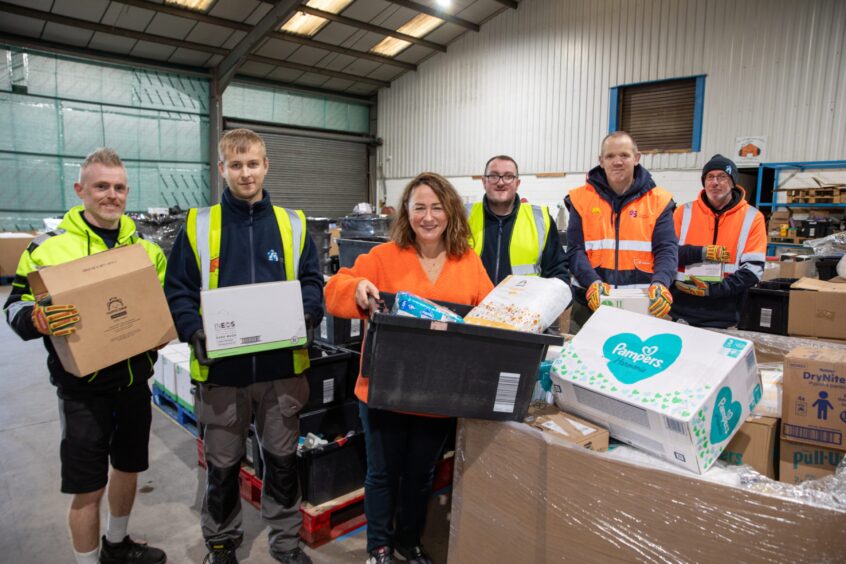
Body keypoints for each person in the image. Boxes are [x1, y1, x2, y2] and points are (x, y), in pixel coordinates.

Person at [164, 129, 323, 564]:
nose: (245, 172)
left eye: (253, 163)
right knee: (222, 468)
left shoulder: (293, 224)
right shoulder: (198, 226)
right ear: (222, 170)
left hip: (281, 374)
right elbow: (177, 288)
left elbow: (312, 279)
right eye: (236, 165)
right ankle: (221, 544)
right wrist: (193, 329)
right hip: (222, 375)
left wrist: (309, 315)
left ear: (266, 166)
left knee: (283, 461)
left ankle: (286, 543)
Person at [3, 148, 167, 564]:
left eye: (118, 187)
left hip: (134, 383)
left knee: (129, 467)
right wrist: (35, 320)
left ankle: (117, 543)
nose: (110, 195)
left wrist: (163, 330)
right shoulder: (48, 248)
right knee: (87, 487)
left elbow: (160, 308)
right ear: (81, 190)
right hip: (83, 389)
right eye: (101, 186)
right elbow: (15, 306)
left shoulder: (146, 248)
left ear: (127, 192)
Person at [325, 173, 494, 564]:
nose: (429, 216)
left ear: (450, 212)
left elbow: (489, 312)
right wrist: (357, 289)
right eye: (420, 207)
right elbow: (336, 288)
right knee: (382, 473)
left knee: (421, 475)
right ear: (407, 212)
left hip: (439, 393)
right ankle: (379, 547)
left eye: (437, 207)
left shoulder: (467, 261)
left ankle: (408, 541)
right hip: (384, 389)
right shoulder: (383, 257)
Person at [565, 131, 678, 327]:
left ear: (636, 158)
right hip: (589, 304)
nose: (617, 162)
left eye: (624, 155)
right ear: (601, 161)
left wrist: (661, 282)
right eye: (610, 156)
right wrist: (591, 282)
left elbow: (666, 249)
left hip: (642, 305)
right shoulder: (580, 199)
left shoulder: (659, 201)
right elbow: (575, 250)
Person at [671, 154, 766, 327]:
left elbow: (753, 270)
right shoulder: (683, 212)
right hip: (680, 309)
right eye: (710, 177)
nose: (715, 182)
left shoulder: (753, 217)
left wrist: (713, 290)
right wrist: (701, 252)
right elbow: (667, 255)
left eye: (722, 177)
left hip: (726, 312)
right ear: (704, 182)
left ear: (732, 182)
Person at [466, 155, 570, 286]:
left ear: (517, 183)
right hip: (472, 305)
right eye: (493, 176)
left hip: (524, 305)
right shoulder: (462, 217)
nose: (500, 182)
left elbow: (557, 272)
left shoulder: (541, 220)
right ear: (483, 181)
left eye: (508, 176)